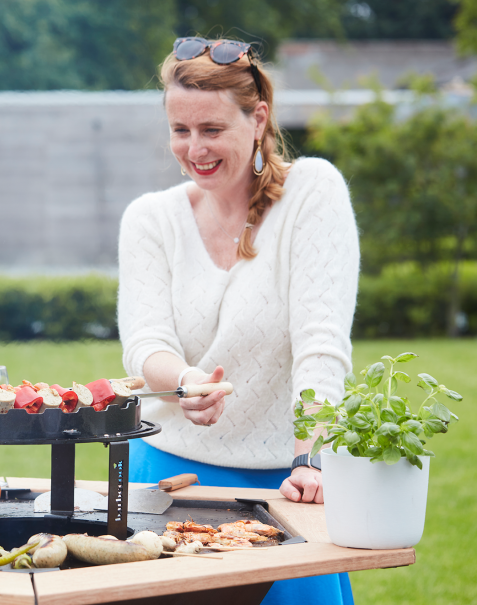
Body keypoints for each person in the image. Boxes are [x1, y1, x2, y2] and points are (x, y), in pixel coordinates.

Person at [118, 37, 359, 605]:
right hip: (162, 477)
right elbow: (145, 342)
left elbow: (321, 345)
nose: (194, 148)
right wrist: (184, 381)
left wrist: (309, 458)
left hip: (285, 482)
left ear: (258, 120)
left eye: (211, 129)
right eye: (181, 130)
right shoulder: (151, 219)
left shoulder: (311, 193)